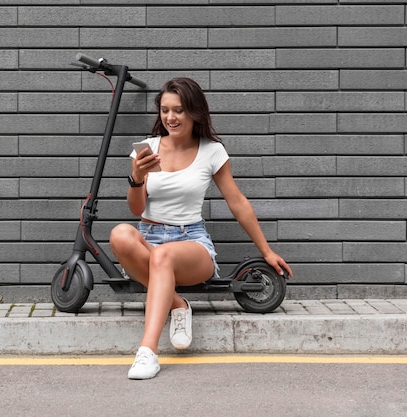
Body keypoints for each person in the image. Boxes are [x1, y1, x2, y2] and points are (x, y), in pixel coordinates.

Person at [109, 77, 293, 380]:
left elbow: (237, 202)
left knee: (163, 256)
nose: (170, 118)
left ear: (195, 112)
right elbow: (136, 210)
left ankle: (147, 352)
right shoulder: (148, 149)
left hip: (190, 242)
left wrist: (266, 250)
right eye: (165, 110)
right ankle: (178, 305)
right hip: (149, 237)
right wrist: (136, 178)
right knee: (120, 234)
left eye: (178, 110)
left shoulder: (212, 151)